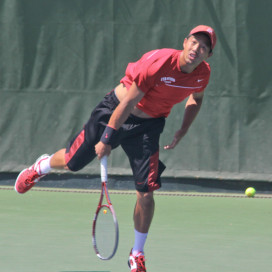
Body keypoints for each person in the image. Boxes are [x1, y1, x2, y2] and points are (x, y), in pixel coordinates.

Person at [15, 25, 216, 272]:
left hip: (149, 126)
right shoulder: (158, 61)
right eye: (194, 42)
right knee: (72, 162)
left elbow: (197, 98)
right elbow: (130, 101)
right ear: (185, 42)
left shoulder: (202, 75)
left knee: (146, 192)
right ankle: (41, 166)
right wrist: (107, 138)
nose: (197, 49)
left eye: (204, 47)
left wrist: (183, 129)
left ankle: (137, 253)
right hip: (116, 110)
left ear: (208, 55)